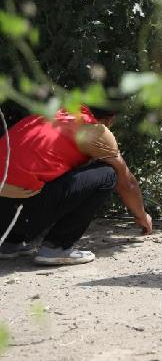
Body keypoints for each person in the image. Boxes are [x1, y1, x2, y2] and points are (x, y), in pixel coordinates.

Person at [0, 105, 153, 266]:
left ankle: (10, 244)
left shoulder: (47, 113)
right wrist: (142, 216)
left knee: (31, 179)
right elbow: (127, 182)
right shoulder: (94, 130)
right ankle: (57, 246)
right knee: (108, 174)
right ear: (109, 120)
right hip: (20, 213)